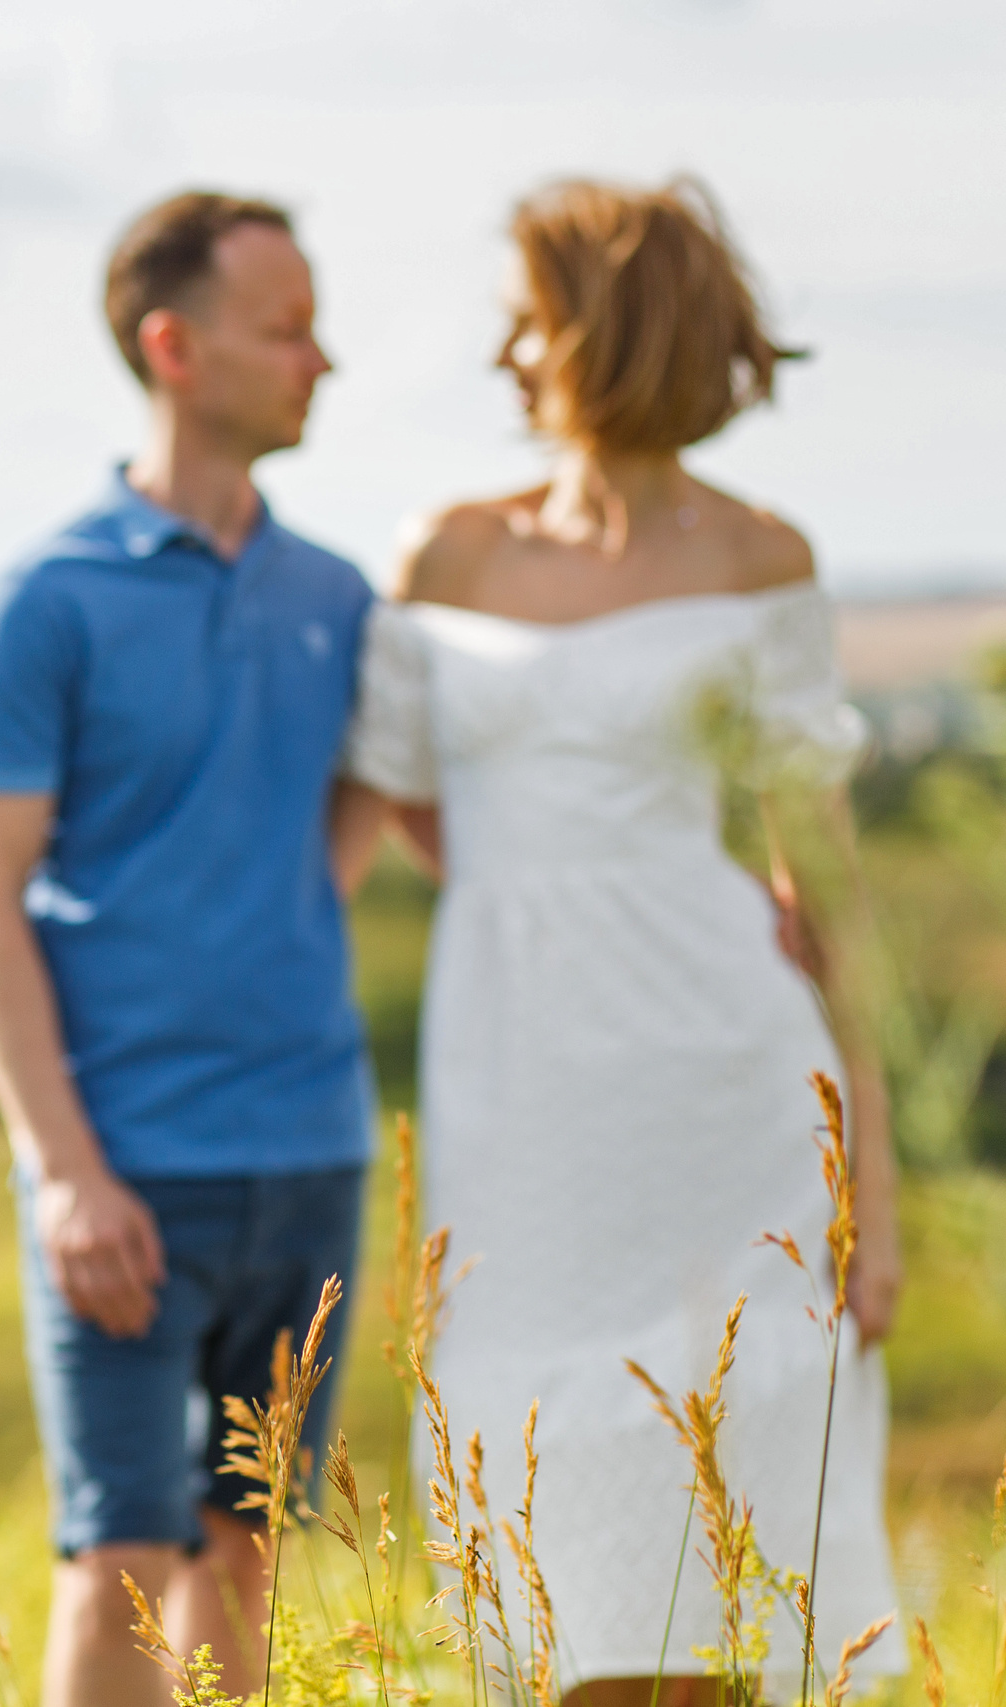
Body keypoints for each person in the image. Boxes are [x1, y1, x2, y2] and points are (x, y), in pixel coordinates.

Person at [340, 179, 902, 1699]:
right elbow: (381, 805)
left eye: (528, 319)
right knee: (530, 1447)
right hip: (519, 1072)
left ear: (599, 331)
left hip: (727, 1064)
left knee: (738, 1505)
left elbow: (826, 885)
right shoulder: (444, 553)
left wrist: (879, 1197)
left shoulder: (762, 559)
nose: (506, 356)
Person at [0, 191, 380, 1704]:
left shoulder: (337, 596)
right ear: (174, 345)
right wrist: (63, 1166)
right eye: (288, 327)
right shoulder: (45, 600)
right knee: (116, 1567)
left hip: (310, 1154)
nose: (322, 359)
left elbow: (339, 837)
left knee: (244, 1557)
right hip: (121, 1163)